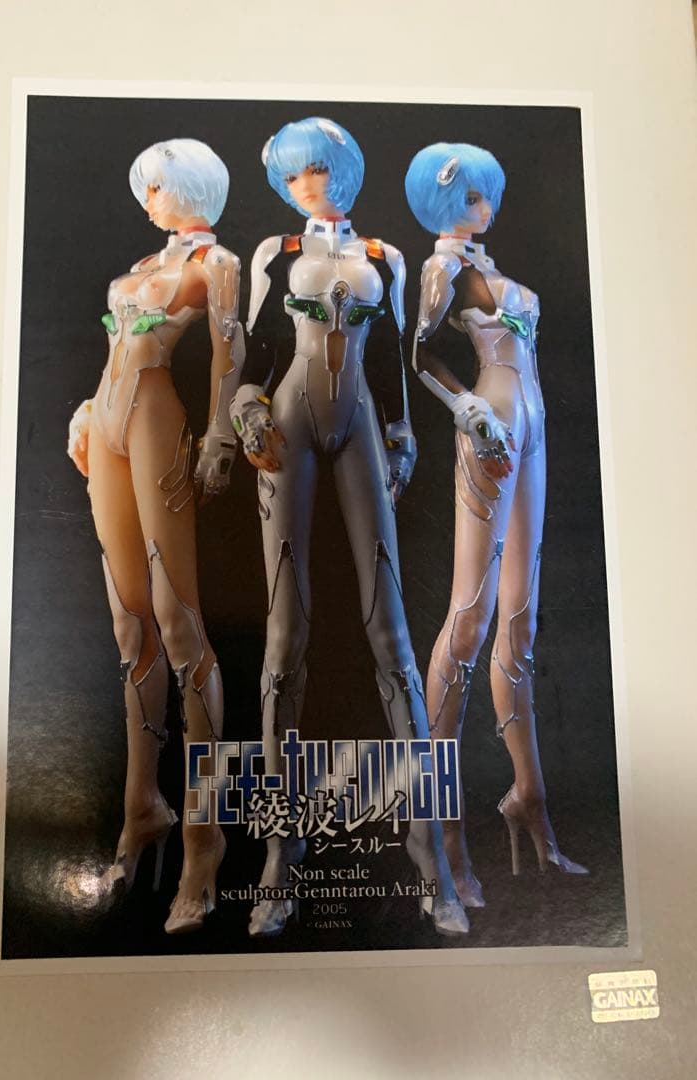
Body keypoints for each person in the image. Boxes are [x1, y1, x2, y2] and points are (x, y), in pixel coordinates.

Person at [230, 117, 467, 938]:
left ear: (345, 171)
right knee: (282, 634)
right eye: (295, 175)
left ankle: (430, 857)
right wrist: (246, 410)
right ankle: (279, 857)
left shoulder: (385, 257)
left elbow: (394, 357)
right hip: (288, 421)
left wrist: (403, 437)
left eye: (320, 170)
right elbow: (258, 351)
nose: (309, 185)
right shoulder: (275, 253)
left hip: (363, 420)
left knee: (390, 630)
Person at [67, 138, 243, 933]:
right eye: (145, 189)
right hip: (107, 420)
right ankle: (143, 807)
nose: (149, 201)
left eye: (159, 187)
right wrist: (85, 408)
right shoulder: (146, 261)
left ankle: (205, 840)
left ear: (194, 187)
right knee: (129, 623)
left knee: (179, 624)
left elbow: (230, 351)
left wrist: (219, 437)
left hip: (156, 418)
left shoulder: (218, 263)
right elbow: (117, 346)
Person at [405, 141, 587, 907]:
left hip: (533, 426)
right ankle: (440, 824)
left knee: (522, 620)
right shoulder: (441, 268)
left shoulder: (484, 261)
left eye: (487, 193)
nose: (485, 205)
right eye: (472, 195)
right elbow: (419, 355)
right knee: (471, 616)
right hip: (492, 427)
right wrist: (468, 409)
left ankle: (530, 800)